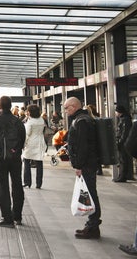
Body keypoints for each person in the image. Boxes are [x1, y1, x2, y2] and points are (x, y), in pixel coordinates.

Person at [64, 96, 102, 239]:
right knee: (90, 193)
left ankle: (93, 227)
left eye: (67, 108)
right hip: (89, 163)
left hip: (86, 164)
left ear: (74, 107)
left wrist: (78, 165)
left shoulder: (81, 121)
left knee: (90, 194)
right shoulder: (84, 119)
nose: (66, 111)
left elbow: (82, 146)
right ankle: (91, 225)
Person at [0, 95, 26, 228]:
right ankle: (18, 217)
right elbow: (22, 140)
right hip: (15, 159)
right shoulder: (18, 121)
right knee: (17, 185)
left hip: (0, 160)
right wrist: (15, 152)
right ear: (10, 106)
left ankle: (7, 219)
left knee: (2, 187)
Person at [22, 104, 47, 189]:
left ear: (30, 112)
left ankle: (27, 182)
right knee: (39, 163)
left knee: (26, 162)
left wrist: (23, 144)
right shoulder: (41, 120)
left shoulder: (30, 122)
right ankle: (39, 183)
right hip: (40, 141)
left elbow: (27, 134)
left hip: (31, 143)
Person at [115, 104, 134, 182]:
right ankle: (122, 176)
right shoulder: (124, 118)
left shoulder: (125, 119)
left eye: (116, 111)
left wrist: (120, 141)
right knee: (122, 159)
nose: (115, 113)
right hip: (124, 142)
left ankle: (123, 176)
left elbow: (125, 132)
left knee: (123, 159)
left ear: (119, 112)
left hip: (123, 143)